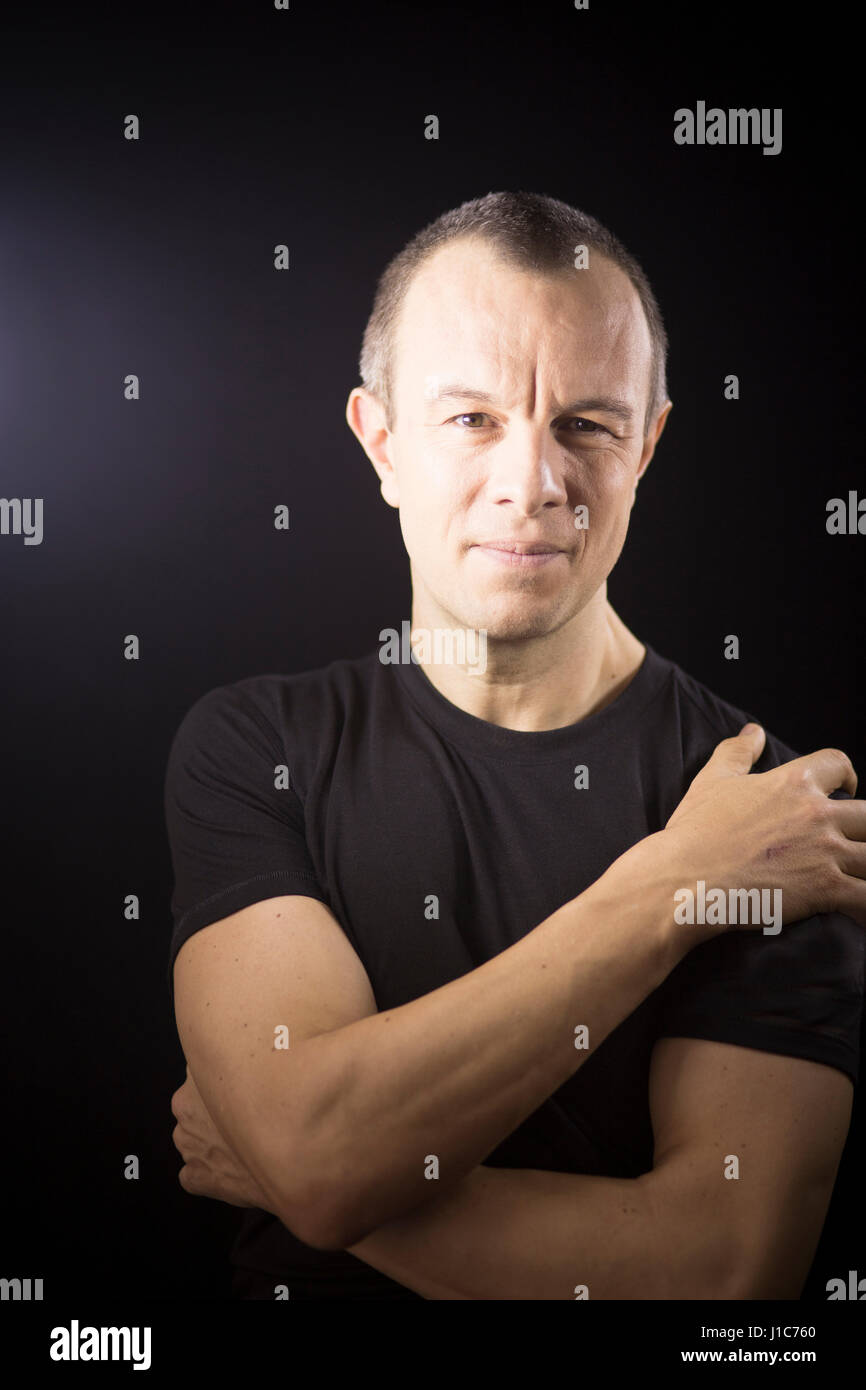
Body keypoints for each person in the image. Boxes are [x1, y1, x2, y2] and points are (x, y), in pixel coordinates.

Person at [166, 191, 865, 1300]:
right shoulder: (255, 746)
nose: (531, 481)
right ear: (380, 441)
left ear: (647, 445)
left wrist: (310, 1175)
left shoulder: (773, 809)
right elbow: (314, 1149)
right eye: (471, 419)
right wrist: (676, 886)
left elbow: (724, 1270)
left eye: (586, 424)